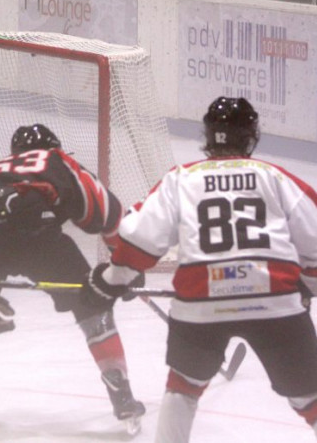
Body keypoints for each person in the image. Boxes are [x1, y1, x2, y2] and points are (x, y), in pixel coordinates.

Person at [82, 97, 317, 442]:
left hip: (201, 303)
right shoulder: (274, 178)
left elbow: (139, 238)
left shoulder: (182, 178)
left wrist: (112, 280)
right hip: (274, 300)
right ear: (250, 136)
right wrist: (307, 286)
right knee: (310, 396)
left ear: (208, 135)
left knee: (183, 387)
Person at [0, 124, 145, 431]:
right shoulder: (57, 161)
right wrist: (127, 267)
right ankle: (122, 396)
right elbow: (107, 211)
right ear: (54, 147)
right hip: (37, 237)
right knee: (92, 305)